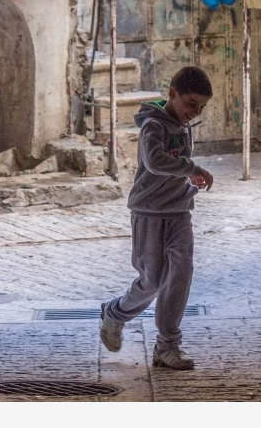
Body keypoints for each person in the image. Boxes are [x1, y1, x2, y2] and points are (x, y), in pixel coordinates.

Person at [100, 66, 214, 370]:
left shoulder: (184, 126)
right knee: (151, 281)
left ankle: (167, 346)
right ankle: (114, 313)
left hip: (179, 212)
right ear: (173, 94)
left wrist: (189, 179)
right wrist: (192, 168)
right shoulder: (153, 125)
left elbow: (177, 165)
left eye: (201, 107)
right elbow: (155, 162)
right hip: (148, 212)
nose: (195, 112)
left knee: (179, 276)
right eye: (191, 103)